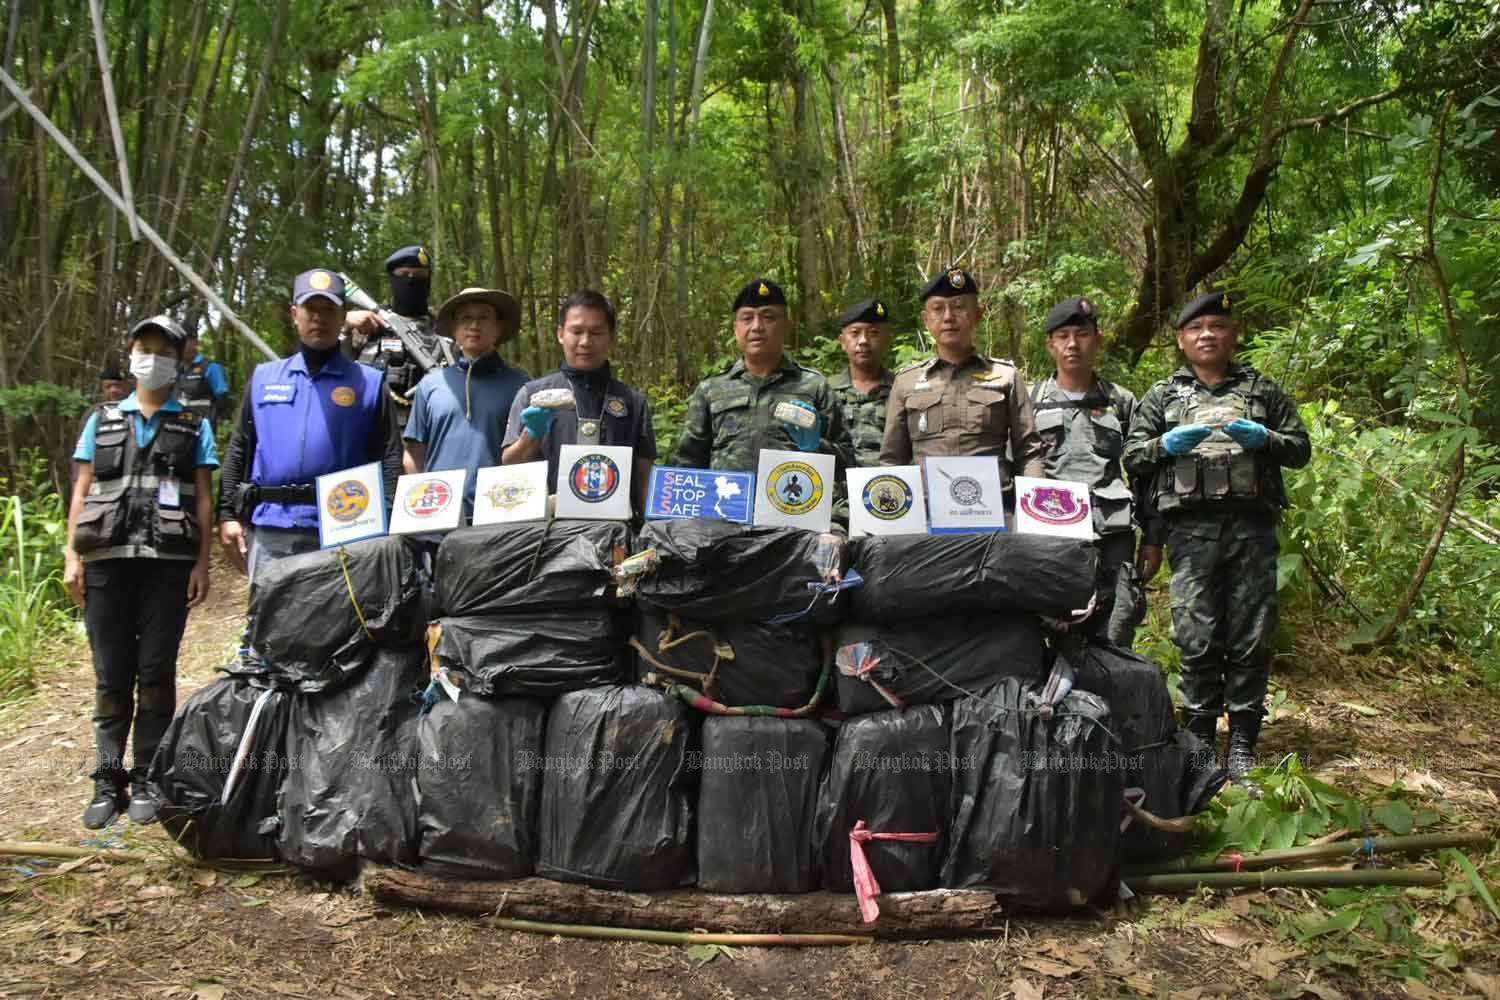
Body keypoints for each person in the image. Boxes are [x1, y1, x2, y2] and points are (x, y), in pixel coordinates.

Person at [1124, 290, 1310, 782]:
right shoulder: (1163, 396)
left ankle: (1244, 742)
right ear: (1182, 340)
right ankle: (1201, 738)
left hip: (1251, 529)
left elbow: (1300, 449)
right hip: (1191, 531)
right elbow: (1134, 458)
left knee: (1252, 636)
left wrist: (1266, 440)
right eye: (1196, 329)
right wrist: (1163, 445)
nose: (1207, 335)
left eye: (1218, 326)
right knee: (1196, 636)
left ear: (1233, 334)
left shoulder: (1262, 391)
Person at [63, 315, 218, 828]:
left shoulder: (195, 425)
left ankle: (150, 775)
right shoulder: (101, 420)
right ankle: (109, 779)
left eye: (164, 351)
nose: (153, 358)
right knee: (111, 678)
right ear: (131, 355)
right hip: (106, 564)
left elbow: (202, 497)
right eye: (144, 348)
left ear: (178, 360)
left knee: (155, 675)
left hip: (167, 569)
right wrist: (71, 557)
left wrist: (202, 565)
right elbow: (82, 490)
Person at [218, 269, 401, 581]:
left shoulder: (368, 383)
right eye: (311, 309)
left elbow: (390, 458)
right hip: (272, 529)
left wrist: (389, 521)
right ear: (294, 314)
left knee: (341, 627)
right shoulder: (263, 378)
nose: (319, 318)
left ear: (343, 316)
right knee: (272, 627)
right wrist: (226, 515)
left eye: (329, 309)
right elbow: (240, 448)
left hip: (345, 530)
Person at [1029, 296, 1150, 647]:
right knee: (1047, 634)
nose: (1072, 344)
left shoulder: (1121, 401)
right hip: (1049, 536)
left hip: (1112, 537)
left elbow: (1143, 472)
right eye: (1063, 335)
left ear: (1097, 338)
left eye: (1081, 334)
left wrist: (1152, 538)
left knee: (1115, 630)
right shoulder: (1030, 400)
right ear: (1050, 344)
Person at [880, 266, 1044, 506]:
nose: (948, 317)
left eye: (959, 306)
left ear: (977, 314)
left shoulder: (1005, 377)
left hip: (996, 510)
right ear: (926, 320)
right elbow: (892, 460)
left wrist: (1035, 514)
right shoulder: (907, 382)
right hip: (926, 513)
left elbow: (1029, 454)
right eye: (938, 309)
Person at [502, 290, 657, 515]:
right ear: (560, 334)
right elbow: (509, 467)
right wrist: (532, 434)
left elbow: (645, 476)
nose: (585, 342)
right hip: (546, 531)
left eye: (596, 332)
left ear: (611, 337)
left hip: (616, 530)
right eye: (576, 331)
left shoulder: (633, 402)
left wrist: (646, 530)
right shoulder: (533, 394)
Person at [675, 278, 850, 474]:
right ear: (736, 328)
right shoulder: (711, 389)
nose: (757, 326)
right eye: (747, 318)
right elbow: (687, 464)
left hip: (791, 501)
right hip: (727, 501)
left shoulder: (814, 386)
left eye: (768, 317)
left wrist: (816, 447)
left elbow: (848, 464)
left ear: (786, 325)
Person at [404, 287, 529, 513]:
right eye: (466, 318)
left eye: (484, 317)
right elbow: (414, 453)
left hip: (499, 513)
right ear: (454, 328)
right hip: (437, 516)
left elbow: (530, 453)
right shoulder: (431, 385)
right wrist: (419, 509)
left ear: (499, 327)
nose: (474, 325)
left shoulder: (521, 385)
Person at [343, 245, 454, 430]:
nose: (411, 282)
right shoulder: (367, 324)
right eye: (404, 275)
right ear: (392, 280)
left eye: (419, 277)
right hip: (371, 430)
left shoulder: (446, 330)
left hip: (431, 434)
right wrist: (343, 324)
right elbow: (330, 371)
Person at [828, 297, 895, 468]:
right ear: (842, 341)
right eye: (855, 333)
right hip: (840, 490)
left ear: (888, 339)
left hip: (890, 487)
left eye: (873, 333)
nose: (863, 341)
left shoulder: (902, 390)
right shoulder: (825, 390)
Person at [176, 330, 231, 428]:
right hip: (179, 427)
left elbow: (223, 399)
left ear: (195, 343)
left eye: (184, 342)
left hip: (203, 427)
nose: (179, 346)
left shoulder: (210, 368)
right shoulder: (176, 370)